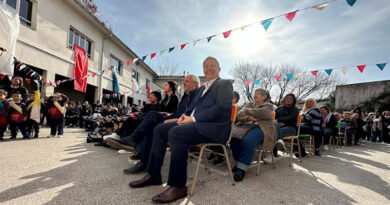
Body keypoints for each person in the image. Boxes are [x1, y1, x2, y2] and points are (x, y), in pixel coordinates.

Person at [128, 57, 233, 204]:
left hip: (213, 128)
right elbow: (192, 108)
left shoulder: (224, 84)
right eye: (206, 66)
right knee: (160, 129)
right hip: (195, 123)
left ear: (219, 69)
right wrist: (184, 116)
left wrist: (194, 119)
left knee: (176, 133)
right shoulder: (202, 88)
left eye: (213, 66)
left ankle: (178, 186)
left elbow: (222, 108)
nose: (209, 68)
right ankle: (154, 174)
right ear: (203, 70)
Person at [107, 75, 200, 174]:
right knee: (151, 116)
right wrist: (168, 115)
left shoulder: (197, 96)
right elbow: (176, 112)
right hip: (174, 117)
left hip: (183, 122)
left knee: (153, 125)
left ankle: (140, 153)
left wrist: (175, 118)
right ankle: (134, 142)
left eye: (187, 81)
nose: (184, 83)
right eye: (184, 81)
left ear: (194, 84)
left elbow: (192, 114)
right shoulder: (185, 95)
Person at [230, 88, 276, 181]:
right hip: (244, 127)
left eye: (258, 93)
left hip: (260, 128)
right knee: (233, 139)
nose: (255, 95)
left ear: (264, 96)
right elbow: (239, 115)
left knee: (248, 141)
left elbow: (263, 113)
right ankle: (240, 162)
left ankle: (241, 168)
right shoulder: (249, 104)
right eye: (255, 93)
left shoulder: (268, 106)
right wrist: (250, 117)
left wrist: (246, 111)